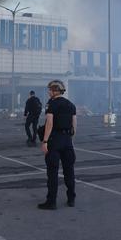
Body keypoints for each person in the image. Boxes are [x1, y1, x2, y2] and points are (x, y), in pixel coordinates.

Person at [38, 80, 77, 210]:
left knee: (52, 173)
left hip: (54, 140)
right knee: (69, 171)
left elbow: (49, 123)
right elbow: (74, 126)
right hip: (67, 140)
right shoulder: (71, 105)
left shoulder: (52, 104)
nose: (48, 92)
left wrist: (45, 141)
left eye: (50, 89)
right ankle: (71, 199)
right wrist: (70, 140)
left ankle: (51, 202)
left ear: (55, 90)